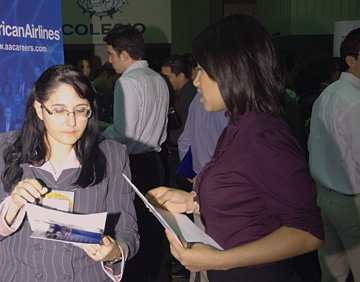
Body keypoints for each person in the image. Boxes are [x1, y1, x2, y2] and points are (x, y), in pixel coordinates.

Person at [147, 14, 324, 282]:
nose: (196, 81)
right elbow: (247, 198)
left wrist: (219, 260)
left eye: (204, 71)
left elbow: (307, 232)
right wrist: (192, 201)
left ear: (233, 70)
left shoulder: (266, 136)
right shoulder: (238, 124)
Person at [0, 65, 139, 281]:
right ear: (39, 109)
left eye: (81, 110)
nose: (72, 122)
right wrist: (12, 205)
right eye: (58, 111)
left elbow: (128, 233)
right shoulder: (3, 149)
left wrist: (115, 252)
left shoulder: (112, 155)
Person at [101, 24, 169, 282]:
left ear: (124, 53)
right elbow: (160, 130)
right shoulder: (158, 79)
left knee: (132, 231)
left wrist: (96, 136)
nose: (109, 61)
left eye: (110, 54)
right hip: (155, 161)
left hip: (132, 166)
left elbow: (121, 132)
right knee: (153, 231)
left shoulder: (126, 82)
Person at [308, 27, 360, 282]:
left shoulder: (327, 94)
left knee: (332, 275)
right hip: (353, 203)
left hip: (326, 198)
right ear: (351, 59)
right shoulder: (355, 100)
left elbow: (312, 146)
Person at [161, 54, 197, 191]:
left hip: (183, 155)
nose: (164, 81)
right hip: (173, 153)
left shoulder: (192, 98)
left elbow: (184, 134)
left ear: (181, 76)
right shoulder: (172, 94)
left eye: (167, 77)